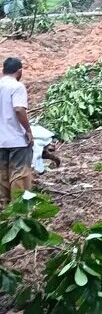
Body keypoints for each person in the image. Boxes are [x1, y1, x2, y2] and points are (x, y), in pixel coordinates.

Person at [0, 58, 33, 207]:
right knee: (19, 175)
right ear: (19, 71)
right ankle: (19, 208)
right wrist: (28, 130)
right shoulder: (17, 87)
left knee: (2, 175)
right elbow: (19, 109)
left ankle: (4, 207)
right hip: (16, 139)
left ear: (3, 70)